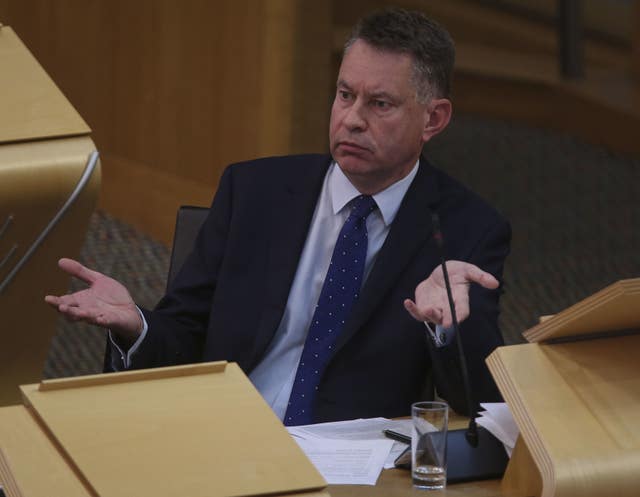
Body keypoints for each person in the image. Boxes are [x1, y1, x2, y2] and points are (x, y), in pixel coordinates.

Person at [46, 8, 510, 425]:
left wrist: (449, 330)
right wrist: (136, 325)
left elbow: (484, 403)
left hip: (352, 470)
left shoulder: (466, 231)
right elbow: (185, 336)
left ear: (434, 119)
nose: (351, 119)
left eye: (380, 104)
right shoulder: (254, 192)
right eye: (345, 95)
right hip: (225, 434)